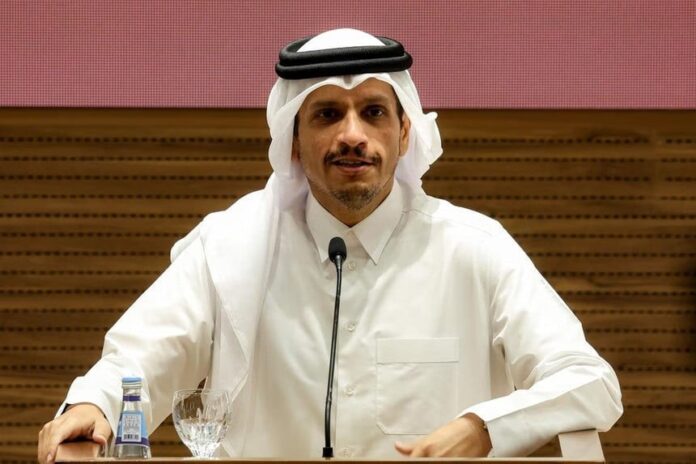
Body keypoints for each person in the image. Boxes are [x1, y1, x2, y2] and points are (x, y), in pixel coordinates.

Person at [37, 28, 622, 463]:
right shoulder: (233, 245)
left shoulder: (474, 249)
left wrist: (482, 427)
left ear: (404, 133)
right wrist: (94, 405)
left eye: (373, 112)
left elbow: (589, 382)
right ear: (294, 141)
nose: (352, 135)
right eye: (327, 115)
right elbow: (138, 360)